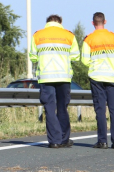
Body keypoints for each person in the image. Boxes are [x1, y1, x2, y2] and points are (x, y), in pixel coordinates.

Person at [29, 14, 80, 148]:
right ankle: (64, 139)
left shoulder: (38, 35)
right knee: (62, 108)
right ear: (60, 22)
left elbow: (33, 57)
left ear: (47, 22)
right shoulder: (69, 35)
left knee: (50, 109)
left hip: (46, 77)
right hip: (63, 77)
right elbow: (75, 57)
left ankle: (54, 141)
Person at [81, 12, 114, 149]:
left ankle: (102, 141)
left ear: (92, 23)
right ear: (105, 22)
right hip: (112, 77)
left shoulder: (88, 39)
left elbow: (84, 60)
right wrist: (111, 63)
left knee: (100, 110)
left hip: (96, 77)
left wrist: (95, 65)